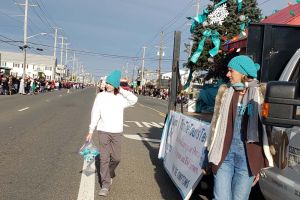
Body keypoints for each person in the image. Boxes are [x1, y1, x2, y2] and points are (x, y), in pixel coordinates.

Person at [206, 55, 274, 200]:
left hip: (247, 160)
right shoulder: (224, 92)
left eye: (231, 71)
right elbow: (215, 126)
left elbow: (267, 131)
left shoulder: (261, 93)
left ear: (243, 73)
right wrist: (207, 156)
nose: (227, 74)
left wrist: (259, 163)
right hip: (224, 156)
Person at [85, 70, 138, 197]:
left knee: (116, 158)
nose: (106, 85)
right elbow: (95, 113)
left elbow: (134, 99)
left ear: (115, 84)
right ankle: (105, 185)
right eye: (106, 82)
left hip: (117, 132)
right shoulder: (100, 96)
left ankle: (109, 173)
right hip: (103, 131)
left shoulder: (120, 98)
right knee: (104, 158)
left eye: (109, 83)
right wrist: (91, 130)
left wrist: (121, 90)